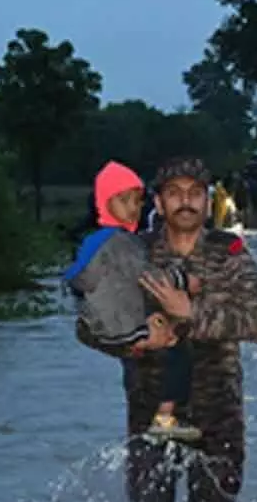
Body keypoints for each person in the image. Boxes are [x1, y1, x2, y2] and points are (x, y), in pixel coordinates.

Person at [76, 156, 257, 502]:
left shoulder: (230, 253)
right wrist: (136, 342)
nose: (185, 202)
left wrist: (192, 314)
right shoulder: (130, 251)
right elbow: (88, 324)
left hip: (218, 410)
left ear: (207, 201)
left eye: (194, 193)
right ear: (159, 203)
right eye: (174, 193)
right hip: (151, 409)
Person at [63, 161, 201, 440]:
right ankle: (164, 419)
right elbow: (149, 278)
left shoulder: (94, 242)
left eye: (139, 201)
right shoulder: (122, 243)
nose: (136, 209)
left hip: (106, 327)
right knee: (179, 353)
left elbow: (78, 281)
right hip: (127, 332)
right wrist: (184, 281)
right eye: (127, 201)